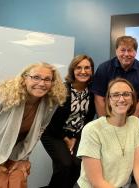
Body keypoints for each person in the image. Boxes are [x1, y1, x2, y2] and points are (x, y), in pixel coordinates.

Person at [0, 62, 67, 188]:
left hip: (8, 148)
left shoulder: (51, 102)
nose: (41, 83)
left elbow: (39, 131)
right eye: (36, 77)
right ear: (24, 78)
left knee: (17, 179)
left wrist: (22, 158)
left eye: (47, 79)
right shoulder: (1, 97)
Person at [77, 78, 139, 188]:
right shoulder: (92, 130)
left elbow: (138, 164)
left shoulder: (135, 123)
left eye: (126, 94)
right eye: (115, 95)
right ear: (108, 100)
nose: (121, 99)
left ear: (133, 99)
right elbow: (97, 182)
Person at [41, 55, 96, 187]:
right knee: (65, 164)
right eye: (79, 67)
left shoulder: (93, 92)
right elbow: (50, 120)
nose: (83, 71)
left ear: (92, 70)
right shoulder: (61, 89)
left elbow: (87, 119)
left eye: (87, 67)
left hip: (77, 135)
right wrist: (66, 138)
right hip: (54, 133)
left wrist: (76, 138)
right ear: (72, 70)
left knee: (78, 164)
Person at [92, 36, 139, 117]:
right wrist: (106, 123)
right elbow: (99, 98)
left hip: (132, 118)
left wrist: (131, 123)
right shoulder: (103, 68)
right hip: (107, 117)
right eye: (123, 50)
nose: (126, 54)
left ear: (135, 52)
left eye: (130, 50)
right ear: (116, 51)